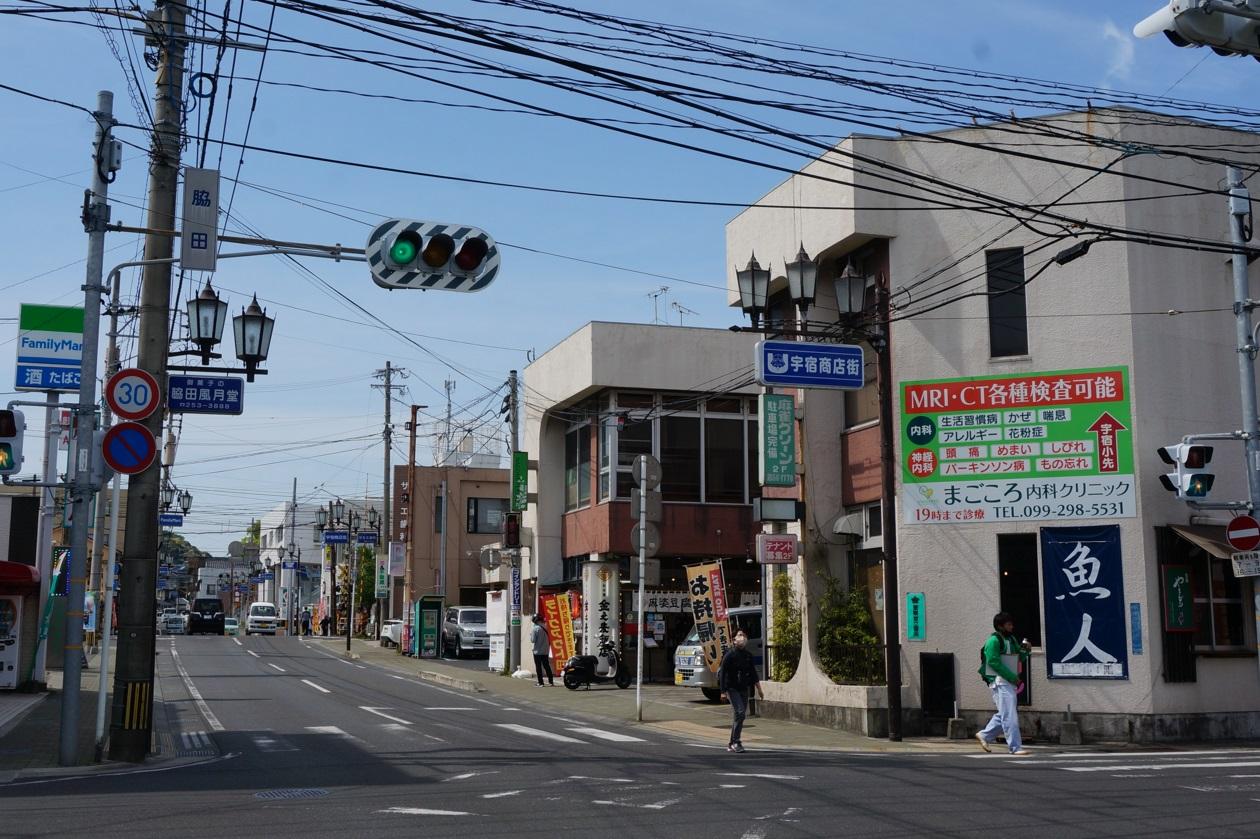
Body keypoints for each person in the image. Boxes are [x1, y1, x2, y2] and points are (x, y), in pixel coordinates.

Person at [976, 611, 1032, 756]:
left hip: (1007, 681)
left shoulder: (1011, 639)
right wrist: (1013, 677)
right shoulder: (993, 641)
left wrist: (1026, 651)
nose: (1012, 626)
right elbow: (993, 662)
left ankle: (985, 735)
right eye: (1008, 624)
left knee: (1005, 713)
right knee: (1010, 715)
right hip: (1000, 681)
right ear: (1000, 626)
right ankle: (1015, 747)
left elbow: (1018, 658)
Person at [718, 629, 763, 753]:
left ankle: (732, 742)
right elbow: (722, 673)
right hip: (732, 688)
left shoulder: (748, 655)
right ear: (734, 640)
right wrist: (722, 691)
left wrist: (759, 689)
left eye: (743, 635)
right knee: (740, 713)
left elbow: (753, 673)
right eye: (739, 635)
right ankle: (737, 742)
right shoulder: (729, 654)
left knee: (739, 716)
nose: (741, 637)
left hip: (744, 688)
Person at [530, 614, 555, 686]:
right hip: (545, 650)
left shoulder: (535, 629)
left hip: (537, 651)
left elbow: (533, 640)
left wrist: (531, 635)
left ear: (535, 620)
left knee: (538, 667)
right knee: (547, 666)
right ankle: (551, 682)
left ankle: (540, 682)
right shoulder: (546, 627)